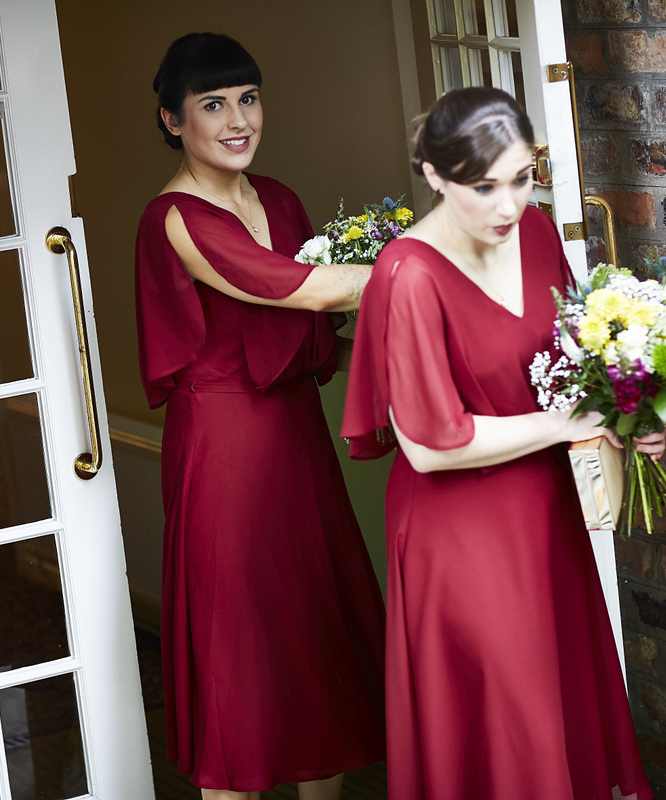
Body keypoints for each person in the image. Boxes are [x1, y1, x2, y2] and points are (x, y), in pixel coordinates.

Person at [341, 86, 661, 800]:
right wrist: (568, 424)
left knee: (557, 712)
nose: (507, 207)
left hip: (546, 518)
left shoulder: (540, 233)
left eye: (520, 180)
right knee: (512, 728)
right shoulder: (408, 272)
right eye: (483, 187)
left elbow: (580, 361)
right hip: (458, 538)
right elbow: (428, 445)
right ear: (433, 175)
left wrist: (631, 412)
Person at [133, 32, 386, 800]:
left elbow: (313, 339)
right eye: (213, 104)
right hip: (224, 450)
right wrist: (437, 267)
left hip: (294, 436)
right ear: (175, 122)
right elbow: (299, 291)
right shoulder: (174, 218)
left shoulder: (278, 199)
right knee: (239, 650)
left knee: (314, 634)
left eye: (248, 99)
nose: (238, 119)